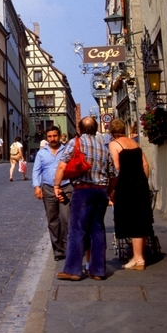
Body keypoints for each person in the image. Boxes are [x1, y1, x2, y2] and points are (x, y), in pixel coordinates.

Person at [54, 116, 117, 281]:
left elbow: (62, 166)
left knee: (77, 229)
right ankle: (98, 271)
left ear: (79, 129)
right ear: (96, 129)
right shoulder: (104, 147)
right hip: (100, 191)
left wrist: (56, 186)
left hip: (82, 190)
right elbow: (114, 175)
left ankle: (73, 270)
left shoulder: (75, 143)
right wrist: (108, 191)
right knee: (97, 230)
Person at [107, 118, 153, 270]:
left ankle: (138, 259)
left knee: (133, 220)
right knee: (142, 219)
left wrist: (113, 189)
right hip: (141, 184)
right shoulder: (135, 143)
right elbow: (145, 165)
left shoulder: (114, 144)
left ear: (111, 132)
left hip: (126, 186)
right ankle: (138, 256)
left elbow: (116, 167)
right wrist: (143, 181)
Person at [32, 125, 72, 260]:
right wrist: (37, 186)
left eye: (55, 136)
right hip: (48, 189)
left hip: (65, 187)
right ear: (46, 138)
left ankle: (68, 248)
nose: (52, 139)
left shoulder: (66, 150)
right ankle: (58, 250)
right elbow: (36, 171)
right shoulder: (41, 153)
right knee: (53, 220)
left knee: (66, 218)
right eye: (49, 136)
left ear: (59, 136)